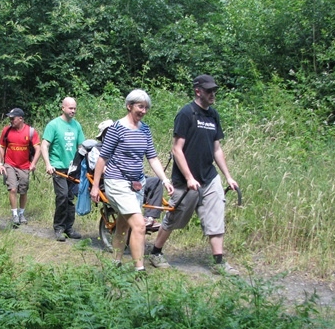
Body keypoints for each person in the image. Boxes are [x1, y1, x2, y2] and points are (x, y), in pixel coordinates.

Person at [150, 74, 239, 274]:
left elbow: (217, 149)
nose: (212, 94)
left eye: (214, 90)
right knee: (174, 218)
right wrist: (189, 178)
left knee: (216, 217)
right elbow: (177, 149)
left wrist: (228, 176)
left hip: (209, 177)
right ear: (198, 91)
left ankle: (219, 263)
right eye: (209, 91)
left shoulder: (213, 115)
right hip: (185, 180)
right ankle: (156, 252)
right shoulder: (186, 113)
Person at [90, 90, 173, 271]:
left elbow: (152, 157)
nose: (143, 111)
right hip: (117, 182)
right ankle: (139, 270)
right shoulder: (116, 129)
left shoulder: (145, 130)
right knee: (139, 225)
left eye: (146, 108)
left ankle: (115, 263)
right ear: (129, 106)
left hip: (137, 184)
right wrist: (95, 186)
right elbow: (102, 158)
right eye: (140, 106)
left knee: (123, 225)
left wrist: (165, 180)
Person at [90, 119, 164, 230]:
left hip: (133, 180)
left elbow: (149, 158)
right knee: (131, 227)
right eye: (108, 132)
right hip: (110, 183)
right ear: (103, 136)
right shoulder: (96, 150)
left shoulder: (123, 146)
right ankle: (138, 224)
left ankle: (150, 217)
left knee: (156, 182)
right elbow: (100, 168)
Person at [41, 97, 85, 241]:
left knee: (70, 198)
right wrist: (48, 164)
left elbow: (81, 147)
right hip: (58, 167)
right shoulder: (53, 125)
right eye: (70, 108)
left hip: (72, 168)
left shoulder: (77, 125)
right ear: (63, 108)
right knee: (62, 196)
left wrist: (82, 164)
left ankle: (69, 228)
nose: (73, 111)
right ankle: (59, 228)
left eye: (75, 108)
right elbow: (44, 145)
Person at [0, 108, 41, 227]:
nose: (11, 120)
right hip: (9, 164)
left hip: (24, 165)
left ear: (21, 119)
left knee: (23, 190)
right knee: (12, 189)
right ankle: (14, 214)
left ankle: (21, 213)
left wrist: (33, 163)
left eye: (13, 118)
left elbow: (38, 148)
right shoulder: (6, 131)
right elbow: (2, 147)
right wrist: (0, 162)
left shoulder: (30, 131)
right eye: (10, 118)